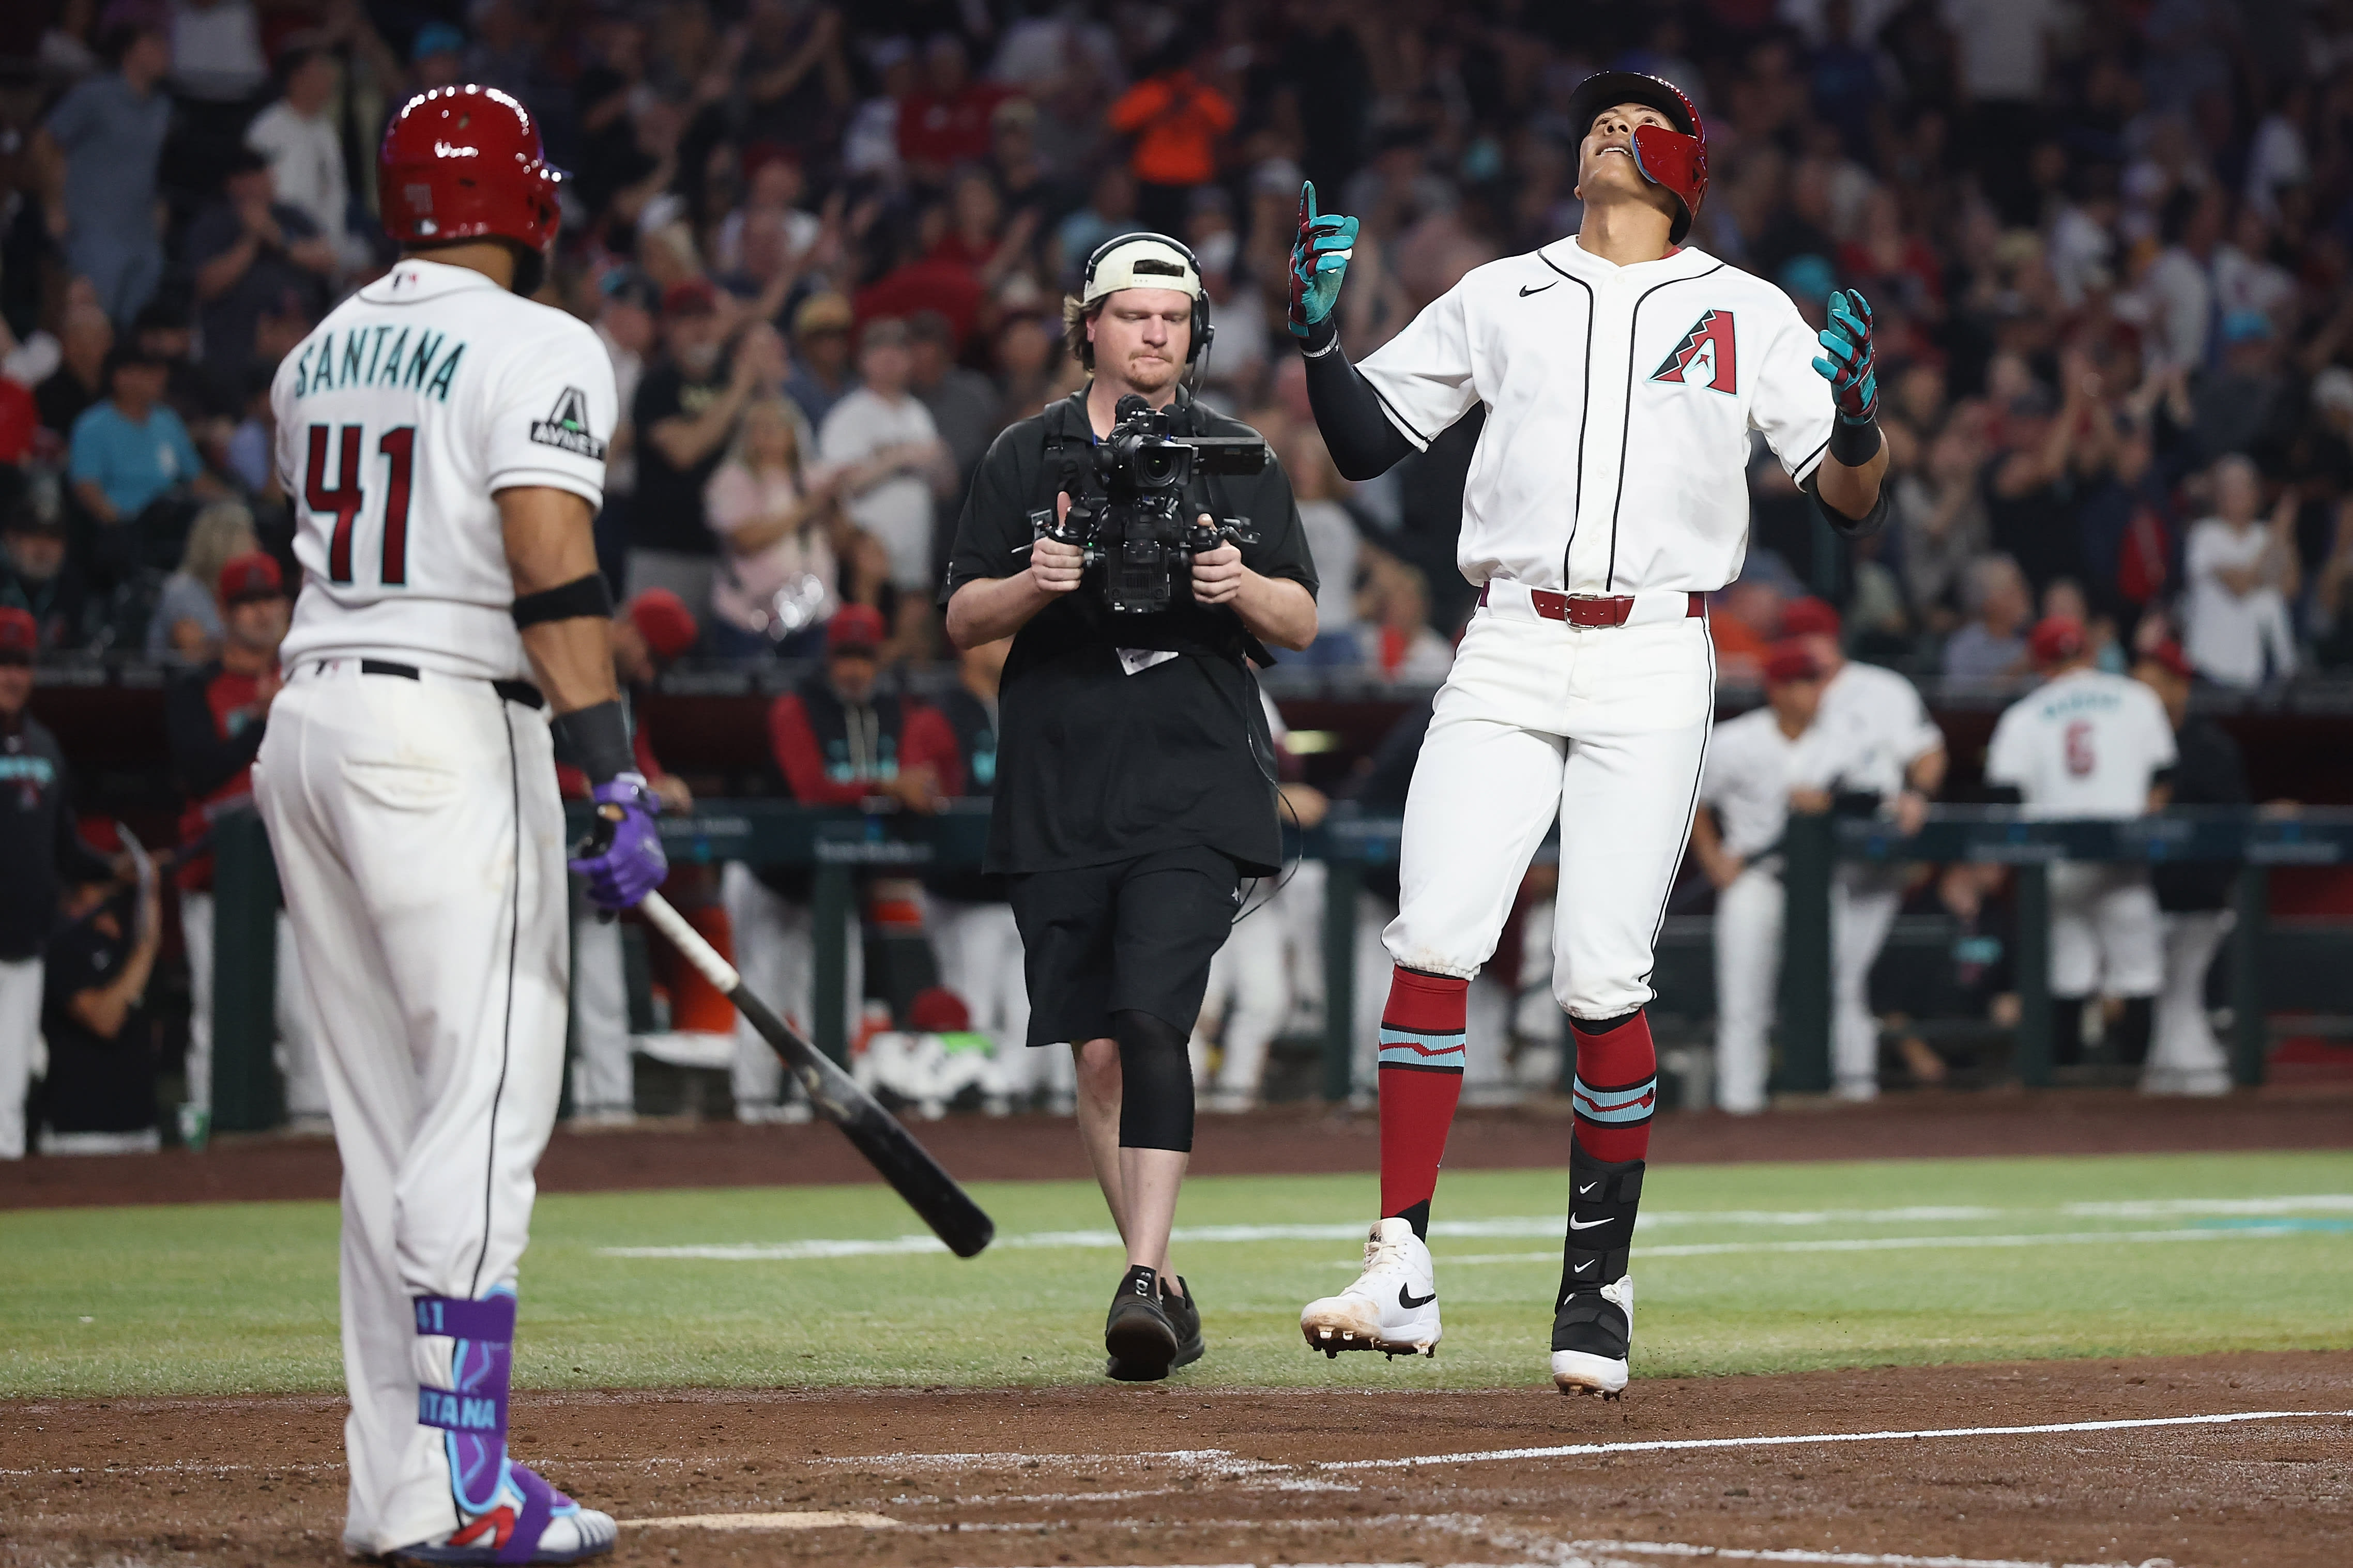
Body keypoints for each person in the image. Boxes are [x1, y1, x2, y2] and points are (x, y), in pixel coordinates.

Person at [1284, 72, 1887, 1397]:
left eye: (1638, 123)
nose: (1609, 132)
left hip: (1657, 649)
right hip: (1505, 636)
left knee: (1599, 977)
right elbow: (1366, 444)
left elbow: (1846, 502)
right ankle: (1399, 1265)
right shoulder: (1504, 290)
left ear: (1685, 165)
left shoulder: (1743, 307)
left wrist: (1854, 422)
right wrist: (1320, 345)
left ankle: (1596, 1285)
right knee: (1434, 931)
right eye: (1597, 123)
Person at [253, 85, 650, 1563]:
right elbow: (548, 559)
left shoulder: (312, 353)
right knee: (479, 1113)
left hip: (307, 721)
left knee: (384, 1132)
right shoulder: (542, 341)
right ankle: (473, 1479)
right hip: (444, 728)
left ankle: (400, 1489)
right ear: (528, 203)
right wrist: (609, 766)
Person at [943, 229, 1318, 1380]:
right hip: (1060, 771)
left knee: (1154, 1015)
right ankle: (1160, 1277)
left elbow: (1299, 618)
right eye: (1131, 314)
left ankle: (1142, 1276)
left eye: (1172, 316)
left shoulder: (1239, 452)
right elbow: (960, 617)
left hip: (1193, 774)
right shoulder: (1024, 451)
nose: (1153, 333)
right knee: (1096, 1052)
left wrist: (1237, 583)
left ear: (1193, 332)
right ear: (1089, 327)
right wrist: (1031, 581)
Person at [723, 604, 960, 1120]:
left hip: (833, 888)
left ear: (878, 660)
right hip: (770, 878)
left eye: (863, 657)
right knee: (763, 1001)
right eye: (844, 657)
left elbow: (925, 773)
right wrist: (885, 786)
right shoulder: (796, 706)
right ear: (829, 658)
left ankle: (829, 1122)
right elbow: (811, 789)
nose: (853, 669)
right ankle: (753, 1115)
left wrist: (919, 789)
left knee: (838, 1003)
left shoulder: (897, 710)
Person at [166, 550, 326, 1145]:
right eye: (247, 603)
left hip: (298, 880)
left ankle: (316, 1142)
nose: (262, 614)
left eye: (270, 600)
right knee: (219, 1019)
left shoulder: (314, 682)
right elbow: (200, 770)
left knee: (309, 1021)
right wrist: (264, 720)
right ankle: (211, 1144)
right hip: (219, 879)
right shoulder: (197, 686)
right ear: (224, 611)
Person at [1984, 616, 2176, 1075]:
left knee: (2067, 974)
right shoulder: (2136, 698)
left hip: (2057, 860)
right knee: (2138, 974)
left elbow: (2006, 797)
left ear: (2041, 664)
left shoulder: (2025, 713)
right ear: (2087, 653)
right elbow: (2163, 781)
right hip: (2123, 854)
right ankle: (2134, 1087)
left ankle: (2064, 1092)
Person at [1779, 597, 1946, 1101]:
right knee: (1836, 974)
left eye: (1813, 635)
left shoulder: (1880, 689)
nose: (1805, 645)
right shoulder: (1788, 690)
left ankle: (1851, 1086)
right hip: (1808, 856)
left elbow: (1928, 752)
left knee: (1843, 972)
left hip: (1872, 848)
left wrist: (1918, 795)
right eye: (1795, 636)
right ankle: (1853, 1086)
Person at [563, 590, 698, 1126]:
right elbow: (530, 755)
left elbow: (630, 756)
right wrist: (617, 787)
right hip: (534, 833)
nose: (649, 672)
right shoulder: (567, 657)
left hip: (592, 841)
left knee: (602, 976)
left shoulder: (622, 685)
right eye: (651, 656)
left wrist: (655, 782)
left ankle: (609, 1105)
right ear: (629, 630)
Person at [922, 635, 1071, 1113]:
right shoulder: (942, 712)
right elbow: (923, 788)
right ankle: (971, 1113)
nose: (1013, 644)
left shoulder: (1029, 705)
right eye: (1002, 636)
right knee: (975, 1009)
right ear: (970, 646)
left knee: (1029, 1012)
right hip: (964, 894)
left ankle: (1006, 1115)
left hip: (1022, 888)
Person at [1688, 644, 1828, 1115]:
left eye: (1814, 682)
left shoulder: (1843, 738)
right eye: (1800, 683)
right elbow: (1693, 799)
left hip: (1828, 885)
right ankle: (1740, 1107)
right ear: (1777, 690)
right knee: (1743, 998)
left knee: (1839, 991)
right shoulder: (1736, 740)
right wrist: (1713, 857)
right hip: (1755, 876)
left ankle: (1845, 1102)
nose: (1811, 693)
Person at [1, 607, 119, 1160]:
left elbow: (64, 847)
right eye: (3, 662)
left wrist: (114, 868)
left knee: (9, 1088)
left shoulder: (45, 747)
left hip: (24, 941)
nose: (11, 675)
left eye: (20, 662)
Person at [2133, 639, 2245, 1096]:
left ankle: (2194, 1082)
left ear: (2180, 687)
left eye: (2154, 686)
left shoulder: (2209, 746)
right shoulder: (2134, 741)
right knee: (2169, 995)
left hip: (2198, 892)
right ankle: (2186, 1078)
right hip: (2143, 889)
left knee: (2178, 991)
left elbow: (2235, 824)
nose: (2145, 697)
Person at [630, 281, 777, 612]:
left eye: (707, 317)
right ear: (668, 327)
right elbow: (685, 452)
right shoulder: (657, 384)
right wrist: (741, 386)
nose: (701, 328)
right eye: (687, 318)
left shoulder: (732, 377)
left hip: (732, 555)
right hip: (666, 551)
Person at [35, 21, 174, 325]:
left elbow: (157, 165)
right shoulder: (94, 95)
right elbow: (45, 142)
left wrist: (159, 206)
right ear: (130, 52)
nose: (165, 52)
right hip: (94, 228)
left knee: (134, 325)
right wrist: (53, 204)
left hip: (142, 233)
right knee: (91, 320)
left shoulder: (162, 108)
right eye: (154, 44)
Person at [817, 317, 955, 595]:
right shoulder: (849, 415)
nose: (890, 360)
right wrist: (899, 457)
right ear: (863, 361)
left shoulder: (918, 414)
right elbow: (841, 486)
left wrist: (941, 460)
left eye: (898, 352)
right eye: (880, 353)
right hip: (864, 560)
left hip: (915, 556)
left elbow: (946, 488)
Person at [39, 856, 165, 1154]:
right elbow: (104, 1020)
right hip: (81, 1136)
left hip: (142, 1130)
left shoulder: (129, 947)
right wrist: (147, 949)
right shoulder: (61, 947)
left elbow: (157, 1030)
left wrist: (152, 894)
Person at [704, 396, 839, 657]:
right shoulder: (731, 479)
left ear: (793, 433)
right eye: (755, 428)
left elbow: (842, 536)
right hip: (747, 615)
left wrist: (836, 509)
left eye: (773, 427)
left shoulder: (811, 476)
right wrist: (807, 508)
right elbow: (746, 540)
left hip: (812, 614)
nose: (763, 436)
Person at [2182, 454, 2298, 689]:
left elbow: (2290, 587)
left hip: (2254, 671)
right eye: (2228, 486)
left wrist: (2286, 536)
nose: (2236, 493)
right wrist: (2276, 538)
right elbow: (2240, 586)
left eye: (2243, 486)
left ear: (2257, 493)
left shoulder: (2264, 535)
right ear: (2217, 494)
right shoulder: (2204, 535)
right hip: (2210, 668)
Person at [147, 500, 257, 660]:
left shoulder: (240, 591)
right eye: (251, 536)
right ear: (227, 544)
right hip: (181, 682)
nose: (257, 545)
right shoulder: (182, 589)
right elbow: (193, 649)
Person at [1942, 552, 2033, 682]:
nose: (2024, 596)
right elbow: (1963, 698)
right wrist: (2020, 668)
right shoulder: (1965, 648)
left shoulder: (2031, 640)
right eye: (2013, 592)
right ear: (1989, 603)